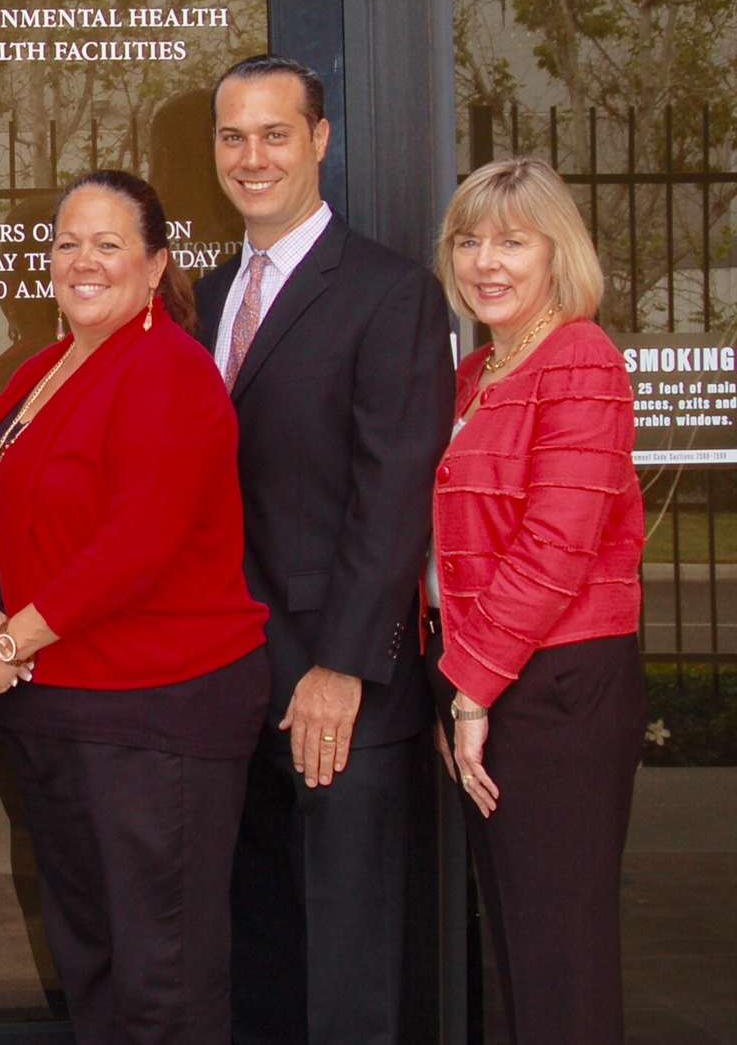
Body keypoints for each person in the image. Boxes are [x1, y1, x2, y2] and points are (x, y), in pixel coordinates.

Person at [0, 171, 270, 1041]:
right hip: (59, 710)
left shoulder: (168, 367)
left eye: (108, 243)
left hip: (154, 715)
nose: (82, 261)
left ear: (156, 262)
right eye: (66, 242)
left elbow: (137, 541)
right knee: (90, 961)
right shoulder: (47, 367)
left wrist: (12, 639)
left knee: (161, 980)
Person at [194, 55, 456, 1045]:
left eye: (274, 133)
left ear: (319, 140)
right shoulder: (215, 295)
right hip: (234, 679)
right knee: (263, 946)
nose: (251, 156)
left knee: (349, 966)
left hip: (337, 683)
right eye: (232, 135)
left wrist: (341, 666)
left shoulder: (389, 293)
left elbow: (396, 495)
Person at [428, 157, 644, 1045]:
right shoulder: (479, 368)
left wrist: (472, 688)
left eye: (513, 241)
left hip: (558, 687)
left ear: (558, 252)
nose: (487, 261)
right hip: (496, 676)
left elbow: (558, 543)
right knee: (519, 943)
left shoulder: (581, 357)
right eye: (470, 240)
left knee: (561, 955)